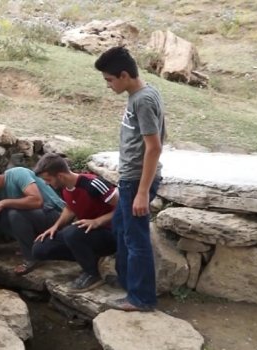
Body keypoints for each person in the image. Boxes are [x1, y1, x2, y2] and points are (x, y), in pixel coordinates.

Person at [94, 47, 165, 312]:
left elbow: (154, 147)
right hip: (130, 180)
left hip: (136, 182)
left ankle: (141, 298)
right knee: (122, 230)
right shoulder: (141, 94)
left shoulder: (142, 101)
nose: (108, 85)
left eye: (110, 80)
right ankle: (128, 285)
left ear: (124, 75)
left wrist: (142, 192)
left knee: (136, 241)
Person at [31, 153, 118, 293]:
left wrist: (98, 221)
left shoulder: (93, 184)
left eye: (48, 180)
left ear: (60, 176)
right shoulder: (66, 188)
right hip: (87, 234)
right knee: (40, 248)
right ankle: (92, 258)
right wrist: (55, 227)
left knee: (71, 232)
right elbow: (70, 208)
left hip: (111, 234)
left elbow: (125, 208)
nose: (47, 184)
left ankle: (92, 274)